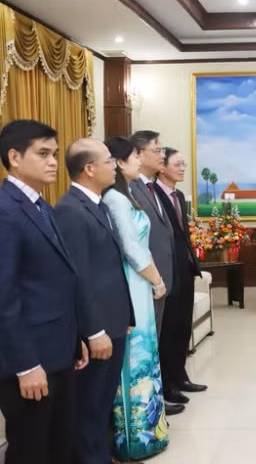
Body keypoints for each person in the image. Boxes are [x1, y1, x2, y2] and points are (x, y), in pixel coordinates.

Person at [0, 119, 88, 464]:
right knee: (31, 450)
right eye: (43, 153)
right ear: (14, 157)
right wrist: (25, 365)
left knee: (60, 443)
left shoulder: (40, 205)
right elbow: (4, 297)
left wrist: (74, 336)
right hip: (29, 361)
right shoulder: (6, 212)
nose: (53, 161)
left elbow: (54, 282)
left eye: (54, 153)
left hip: (58, 350)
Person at [54, 139, 135, 464]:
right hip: (97, 327)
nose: (114, 166)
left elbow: (110, 268)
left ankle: (103, 455)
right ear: (89, 169)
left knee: (102, 403)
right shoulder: (70, 211)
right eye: (108, 161)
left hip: (112, 321)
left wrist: (125, 315)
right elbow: (79, 278)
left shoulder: (96, 204)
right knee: (90, 405)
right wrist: (93, 331)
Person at [103, 136, 173, 461]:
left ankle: (150, 428)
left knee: (146, 352)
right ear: (119, 162)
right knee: (135, 358)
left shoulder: (126, 194)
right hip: (132, 282)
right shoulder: (115, 199)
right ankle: (134, 439)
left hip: (140, 283)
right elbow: (131, 249)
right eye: (133, 156)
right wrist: (157, 280)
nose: (137, 162)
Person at [127, 130, 183, 414]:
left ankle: (156, 401)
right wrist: (156, 277)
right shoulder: (130, 188)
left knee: (158, 342)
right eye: (157, 150)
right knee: (148, 347)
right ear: (138, 154)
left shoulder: (149, 186)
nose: (162, 155)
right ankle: (150, 406)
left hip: (163, 278)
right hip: (148, 280)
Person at [154, 147, 207, 401]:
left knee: (183, 325)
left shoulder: (178, 195)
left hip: (184, 268)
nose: (183, 168)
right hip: (167, 270)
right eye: (178, 163)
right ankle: (168, 384)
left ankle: (181, 375)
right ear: (161, 167)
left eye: (184, 163)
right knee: (170, 328)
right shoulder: (154, 195)